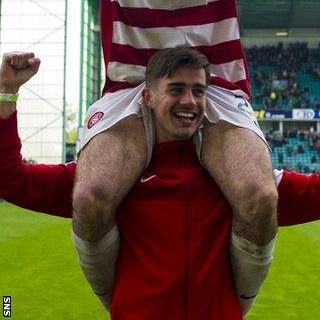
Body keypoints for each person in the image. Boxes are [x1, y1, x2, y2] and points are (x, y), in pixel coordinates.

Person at [4, 0, 311, 313]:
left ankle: (238, 303)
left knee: (260, 200)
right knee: (90, 198)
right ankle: (113, 301)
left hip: (218, 93)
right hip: (129, 94)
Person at [1, 51, 320, 320]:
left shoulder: (236, 178)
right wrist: (6, 93)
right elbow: (12, 181)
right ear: (148, 97)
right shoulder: (110, 176)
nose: (190, 101)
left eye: (199, 90)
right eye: (177, 89)